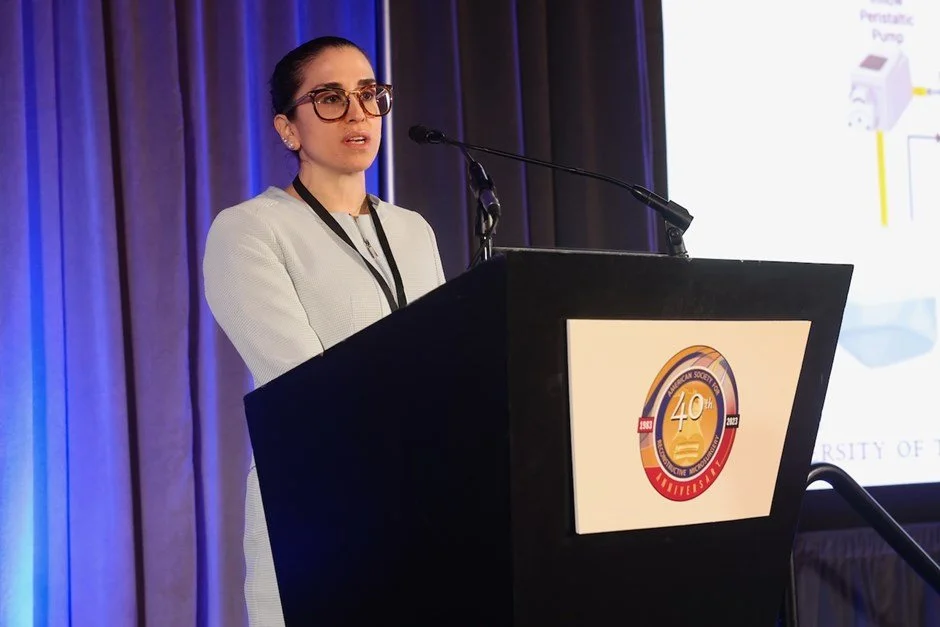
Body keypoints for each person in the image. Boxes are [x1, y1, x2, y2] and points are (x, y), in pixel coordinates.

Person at [202, 36, 446, 626]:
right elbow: (305, 386)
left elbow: (447, 360)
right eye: (331, 99)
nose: (358, 113)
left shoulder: (413, 230)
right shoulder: (249, 231)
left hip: (424, 505)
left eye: (369, 94)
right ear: (289, 129)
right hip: (317, 510)